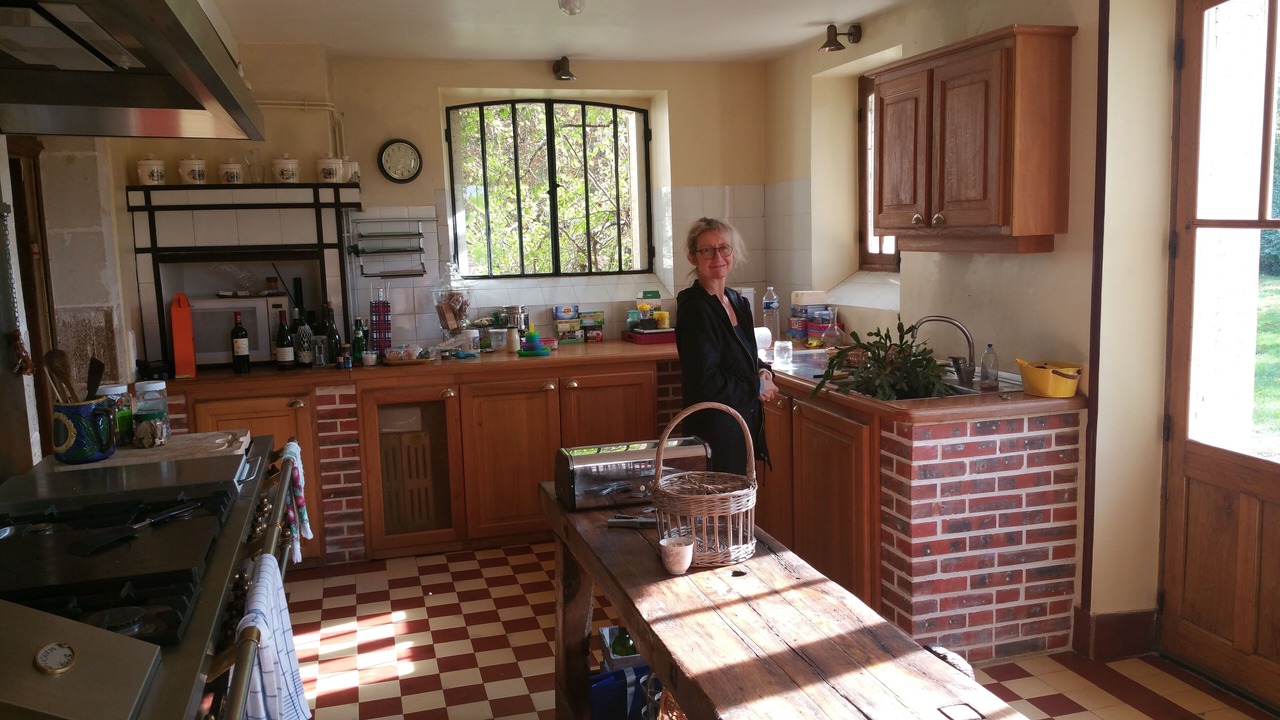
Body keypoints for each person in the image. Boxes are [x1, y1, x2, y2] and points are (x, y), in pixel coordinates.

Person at [675, 217, 777, 476]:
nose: (717, 256)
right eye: (707, 250)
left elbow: (744, 357)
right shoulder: (696, 309)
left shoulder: (736, 300)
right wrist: (756, 386)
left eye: (723, 248)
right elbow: (705, 381)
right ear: (692, 258)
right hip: (715, 430)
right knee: (718, 509)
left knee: (739, 504)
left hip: (742, 422)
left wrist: (764, 371)